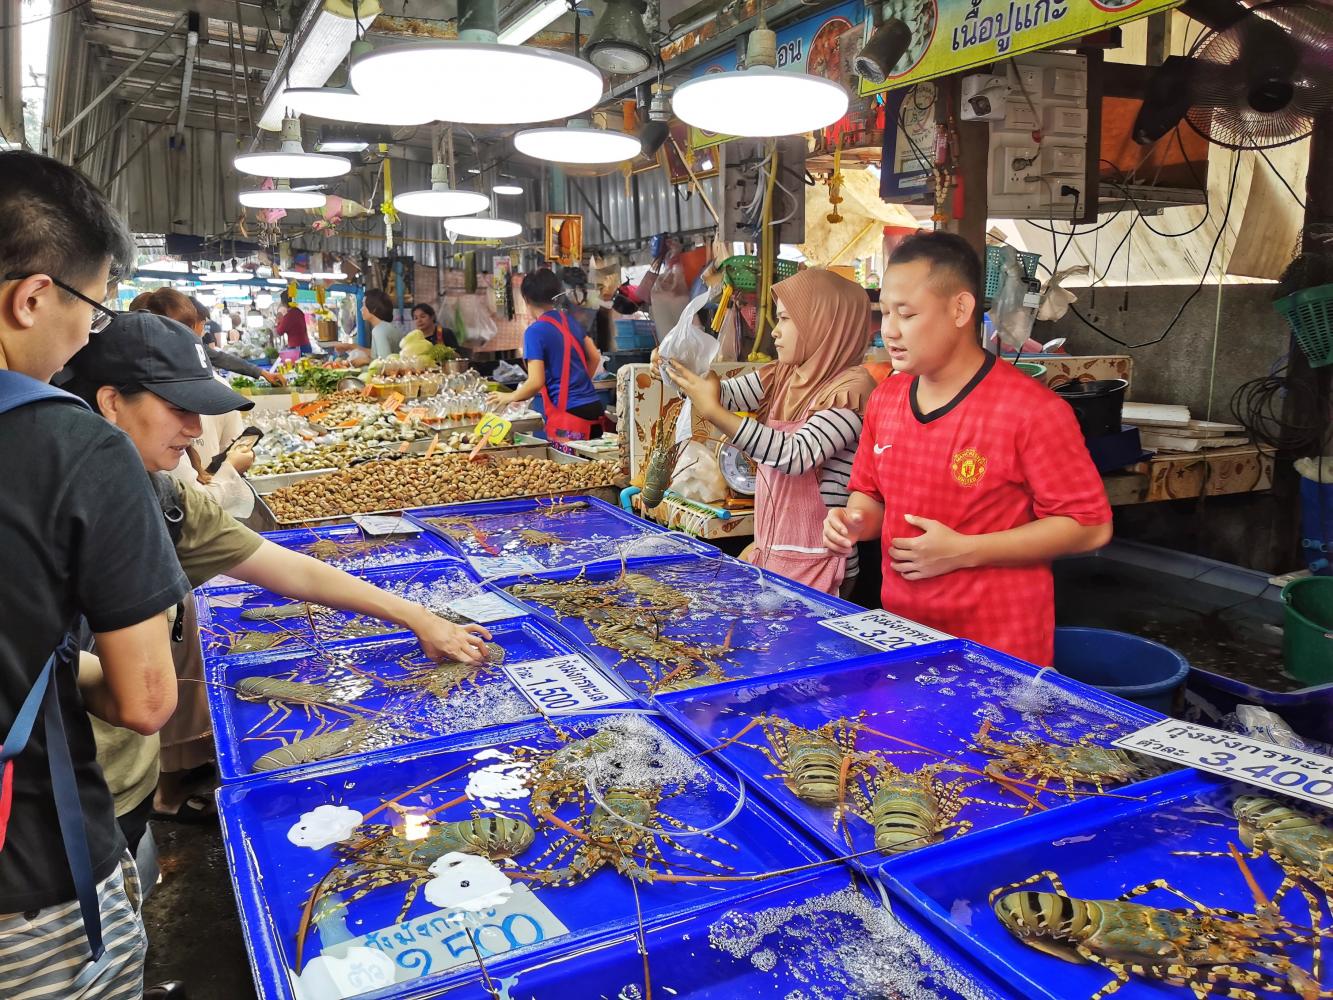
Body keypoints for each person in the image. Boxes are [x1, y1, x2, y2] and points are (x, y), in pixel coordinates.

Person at [62, 312, 495, 829]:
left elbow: (289, 569)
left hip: (126, 780)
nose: (196, 430)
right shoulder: (47, 506)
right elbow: (140, 701)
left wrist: (419, 618)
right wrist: (81, 666)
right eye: (180, 409)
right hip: (57, 797)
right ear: (112, 402)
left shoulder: (165, 497)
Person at [0, 149, 188, 999]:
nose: (85, 334)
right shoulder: (74, 446)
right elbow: (145, 700)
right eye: (93, 308)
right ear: (33, 296)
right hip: (29, 876)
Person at [823, 232, 1112, 667]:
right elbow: (871, 494)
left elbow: (1090, 526)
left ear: (959, 309)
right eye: (884, 313)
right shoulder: (886, 399)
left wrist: (966, 549)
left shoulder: (1031, 411)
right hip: (901, 635)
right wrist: (853, 520)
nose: (890, 331)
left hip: (998, 650)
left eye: (908, 313)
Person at [665, 269, 874, 595]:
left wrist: (714, 413)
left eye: (787, 319)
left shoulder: (851, 390)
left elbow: (796, 455)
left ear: (824, 323)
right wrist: (675, 368)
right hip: (775, 551)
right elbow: (721, 392)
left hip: (821, 560)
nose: (775, 332)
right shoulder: (783, 376)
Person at [488, 269, 604, 441]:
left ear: (526, 299)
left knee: (569, 467)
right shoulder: (570, 322)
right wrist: (577, 382)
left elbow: (535, 382)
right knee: (595, 467)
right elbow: (594, 357)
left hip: (569, 415)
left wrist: (509, 396)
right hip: (594, 407)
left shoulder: (534, 332)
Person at [363, 288, 403, 359]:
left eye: (363, 305)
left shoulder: (379, 330)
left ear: (374, 309)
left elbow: (384, 363)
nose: (361, 309)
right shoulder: (387, 327)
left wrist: (365, 361)